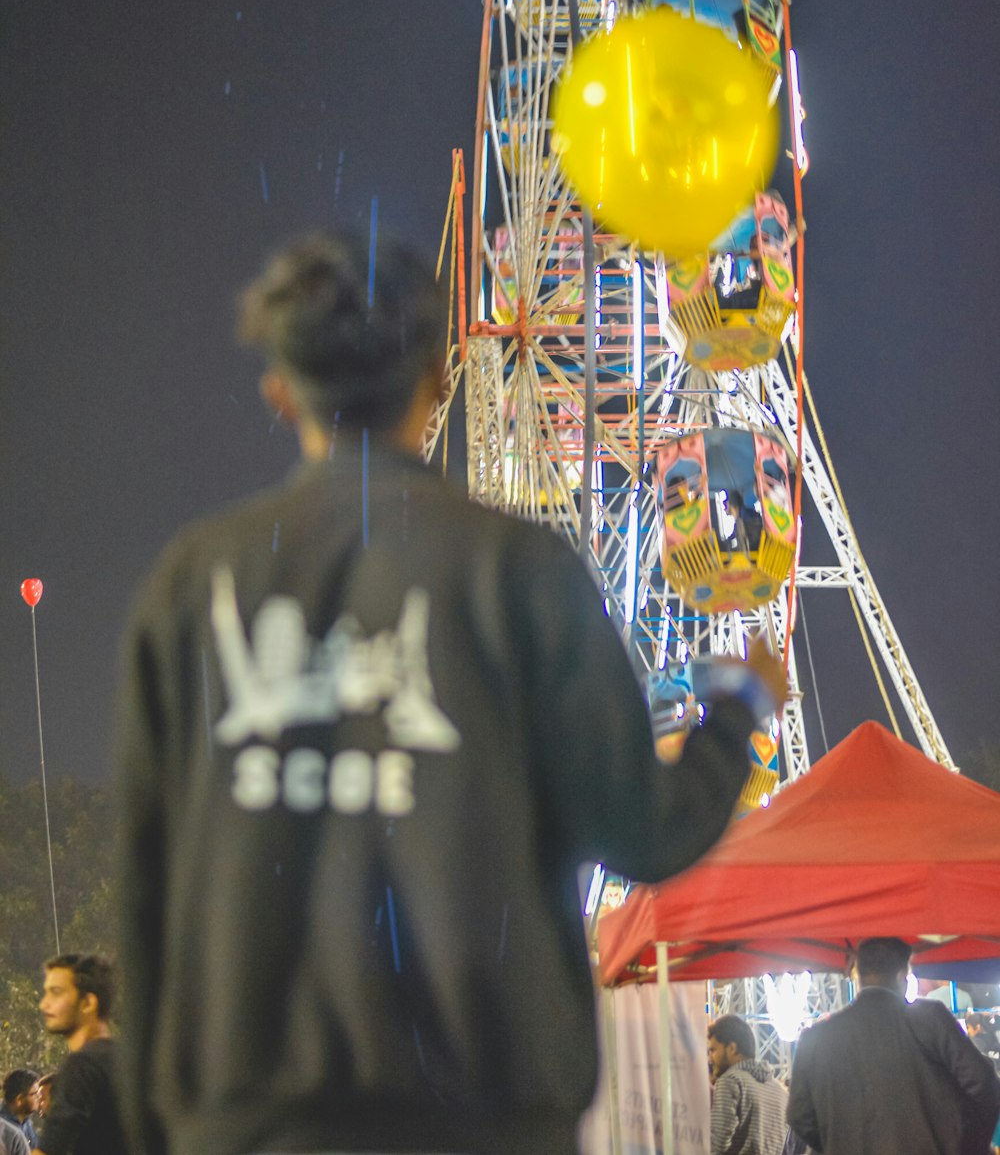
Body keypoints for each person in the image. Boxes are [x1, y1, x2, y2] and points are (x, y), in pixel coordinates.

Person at [116, 227, 788, 1155]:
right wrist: (738, 715)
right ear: (441, 375)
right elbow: (644, 830)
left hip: (250, 1123)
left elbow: (149, 900)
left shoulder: (191, 587)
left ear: (279, 390)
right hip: (484, 1115)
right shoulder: (522, 574)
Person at [787, 937, 1000, 1154]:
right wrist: (966, 1145)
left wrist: (839, 1144)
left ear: (858, 975)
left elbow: (799, 1116)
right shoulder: (930, 1020)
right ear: (902, 976)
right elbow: (983, 1083)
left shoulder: (816, 1038)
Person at [35, 954, 129, 1155]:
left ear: (88, 1003)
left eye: (56, 992)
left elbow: (50, 1149)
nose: (44, 1004)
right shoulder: (126, 1058)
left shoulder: (82, 1065)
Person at [707, 1014, 788, 1155]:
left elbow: (716, 1145)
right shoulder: (780, 1092)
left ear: (731, 1048)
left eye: (713, 1050)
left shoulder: (731, 1081)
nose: (710, 1058)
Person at [0, 1072, 37, 1149]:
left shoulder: (26, 1122)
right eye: (35, 1094)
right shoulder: (4, 1128)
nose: (39, 1097)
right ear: (19, 1099)